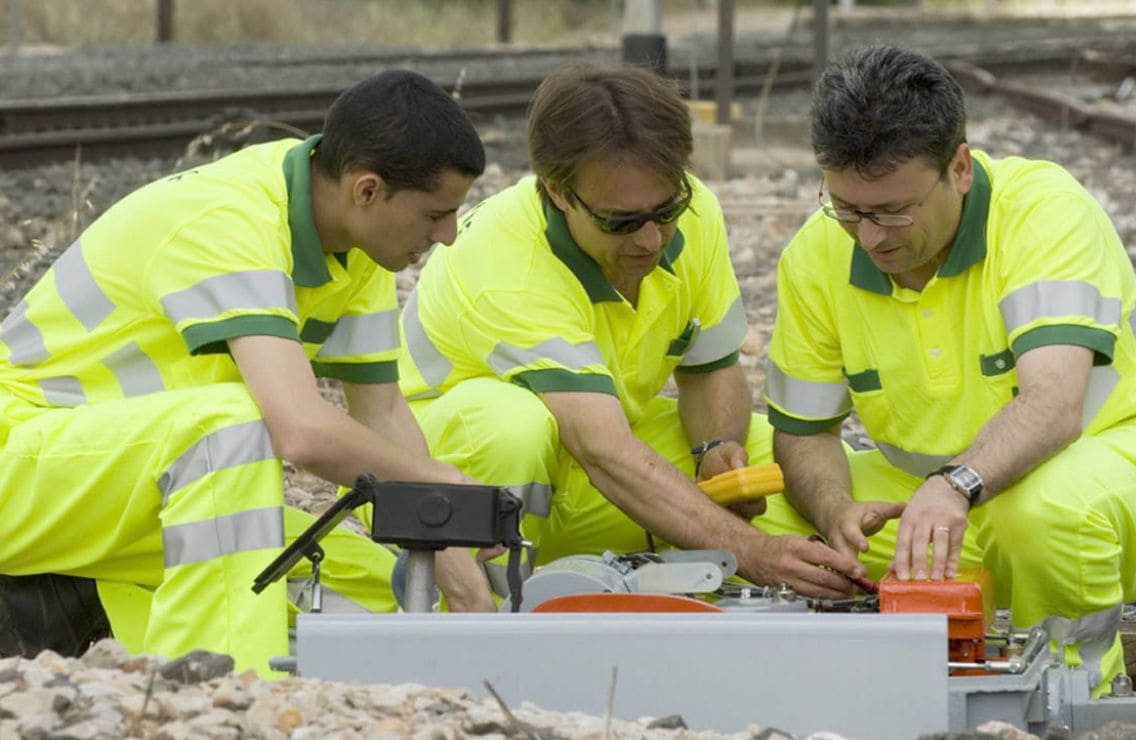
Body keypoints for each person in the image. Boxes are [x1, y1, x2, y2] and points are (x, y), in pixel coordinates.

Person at [0, 69, 498, 677]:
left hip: (118, 489)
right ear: (367, 190)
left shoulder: (354, 242)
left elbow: (385, 417)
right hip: (25, 469)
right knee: (229, 428)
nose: (447, 236)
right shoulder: (226, 219)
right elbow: (301, 431)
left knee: (377, 581)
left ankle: (108, 616)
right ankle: (228, 690)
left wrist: (461, 581)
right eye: (435, 215)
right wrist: (440, 478)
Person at [756, 44, 1136, 694]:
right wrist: (835, 513)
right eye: (848, 209)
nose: (870, 237)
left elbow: (1053, 403)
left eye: (893, 211)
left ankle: (1074, 698)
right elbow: (804, 433)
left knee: (1041, 516)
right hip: (945, 513)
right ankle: (868, 679)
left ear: (959, 168)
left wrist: (953, 485)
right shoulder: (816, 256)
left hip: (1113, 477)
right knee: (754, 510)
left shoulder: (1044, 213)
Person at [396, 62, 867, 599]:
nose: (650, 239)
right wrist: (754, 553)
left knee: (777, 454)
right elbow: (603, 450)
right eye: (620, 222)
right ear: (556, 192)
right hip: (453, 473)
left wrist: (717, 445)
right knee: (513, 425)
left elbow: (711, 370)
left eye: (667, 209)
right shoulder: (507, 265)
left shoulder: (696, 217)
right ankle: (487, 599)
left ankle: (681, 587)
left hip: (593, 456)